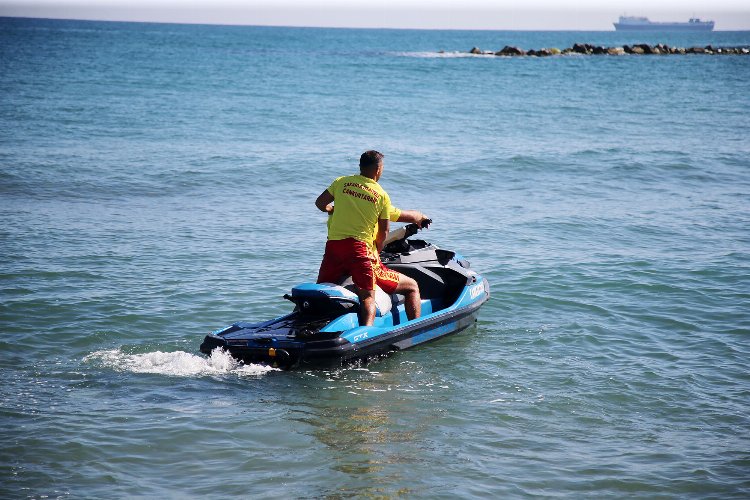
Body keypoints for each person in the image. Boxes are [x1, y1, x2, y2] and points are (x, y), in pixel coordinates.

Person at [315, 150, 430, 326]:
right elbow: (384, 232)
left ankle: (308, 323)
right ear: (378, 169)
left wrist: (332, 209)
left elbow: (320, 203)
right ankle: (369, 335)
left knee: (320, 292)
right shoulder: (380, 195)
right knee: (375, 296)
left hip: (334, 250)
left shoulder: (341, 183)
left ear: (360, 167)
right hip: (360, 252)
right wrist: (377, 248)